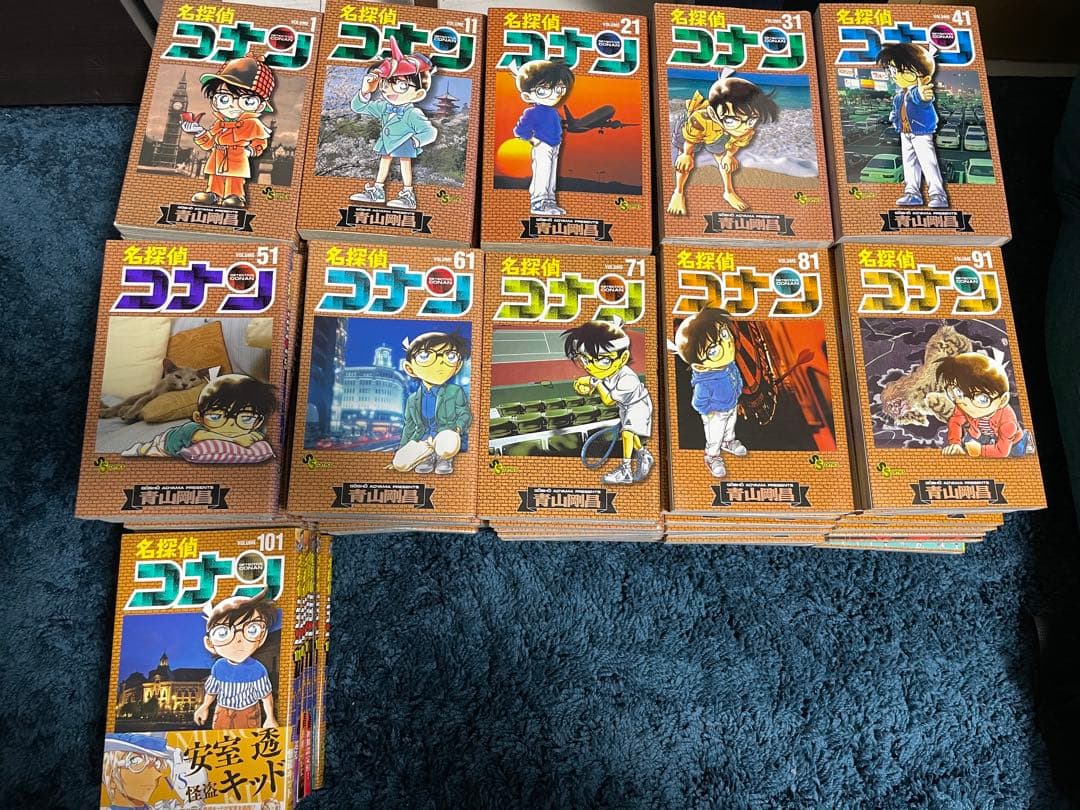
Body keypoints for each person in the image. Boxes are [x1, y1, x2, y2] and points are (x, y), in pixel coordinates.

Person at [667, 68, 779, 215]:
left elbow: (736, 143)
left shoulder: (746, 127)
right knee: (684, 162)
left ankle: (729, 192)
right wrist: (686, 154)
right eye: (732, 120)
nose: (743, 127)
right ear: (714, 114)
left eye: (752, 120)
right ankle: (678, 192)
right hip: (693, 129)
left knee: (723, 159)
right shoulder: (700, 119)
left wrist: (729, 156)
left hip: (720, 133)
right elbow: (689, 140)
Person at [349, 37, 438, 210]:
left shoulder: (412, 113)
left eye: (401, 85)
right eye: (385, 84)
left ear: (418, 94)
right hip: (387, 142)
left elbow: (430, 132)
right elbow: (359, 107)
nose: (388, 90)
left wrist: (415, 142)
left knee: (405, 164)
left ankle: (408, 194)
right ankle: (378, 190)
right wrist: (365, 91)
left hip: (404, 142)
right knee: (384, 161)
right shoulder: (383, 106)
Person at [563, 318, 654, 485]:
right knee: (631, 433)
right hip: (625, 406)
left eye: (604, 360)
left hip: (639, 405)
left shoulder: (627, 379)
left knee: (627, 433)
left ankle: (626, 470)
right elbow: (596, 380)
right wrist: (584, 384)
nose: (590, 367)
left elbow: (607, 400)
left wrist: (594, 383)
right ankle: (643, 454)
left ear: (623, 358)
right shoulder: (607, 371)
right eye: (585, 359)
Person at [180, 57, 275, 208]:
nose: (232, 105)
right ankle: (213, 194)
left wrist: (251, 150)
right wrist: (199, 131)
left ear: (260, 106)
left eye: (246, 101)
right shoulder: (219, 123)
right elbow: (210, 143)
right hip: (217, 155)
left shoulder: (252, 123)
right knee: (215, 177)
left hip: (237, 155)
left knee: (234, 178)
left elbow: (260, 142)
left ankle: (236, 196)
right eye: (224, 98)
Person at [668, 307, 746, 478]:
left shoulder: (729, 365)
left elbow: (735, 378)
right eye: (713, 351)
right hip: (715, 412)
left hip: (731, 404)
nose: (726, 344)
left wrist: (737, 394)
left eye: (724, 334)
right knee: (715, 435)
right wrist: (709, 413)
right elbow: (698, 402)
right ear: (699, 366)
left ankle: (728, 441)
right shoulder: (705, 381)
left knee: (730, 425)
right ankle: (712, 456)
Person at [193, 589, 278, 730]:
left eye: (252, 630)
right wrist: (204, 706)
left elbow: (265, 695)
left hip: (248, 712)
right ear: (210, 643)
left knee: (248, 740)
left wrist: (270, 717)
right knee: (219, 740)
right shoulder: (219, 667)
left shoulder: (257, 669)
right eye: (223, 633)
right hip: (222, 712)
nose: (239, 640)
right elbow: (212, 690)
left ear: (262, 636)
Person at [877, 43, 948, 209]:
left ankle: (938, 195)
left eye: (901, 71)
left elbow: (922, 98)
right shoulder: (899, 95)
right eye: (892, 71)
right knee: (909, 163)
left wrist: (923, 94)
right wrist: (894, 118)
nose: (895, 75)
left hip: (921, 132)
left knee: (928, 163)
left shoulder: (917, 91)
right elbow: (897, 110)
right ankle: (912, 193)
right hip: (905, 131)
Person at [391, 331, 471, 475]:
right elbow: (409, 426)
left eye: (450, 356)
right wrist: (403, 448)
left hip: (444, 438)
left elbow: (465, 414)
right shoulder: (412, 399)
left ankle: (444, 458)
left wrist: (456, 430)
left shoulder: (454, 391)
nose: (440, 362)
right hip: (423, 441)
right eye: (425, 356)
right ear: (410, 368)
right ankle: (426, 456)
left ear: (458, 366)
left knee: (447, 442)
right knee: (399, 463)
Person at [512, 59, 575, 216]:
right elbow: (520, 130)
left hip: (555, 144)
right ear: (527, 96)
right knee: (542, 172)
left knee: (551, 174)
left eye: (559, 88)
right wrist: (533, 140)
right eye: (544, 90)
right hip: (543, 145)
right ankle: (539, 203)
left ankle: (550, 201)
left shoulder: (553, 112)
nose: (555, 93)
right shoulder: (532, 112)